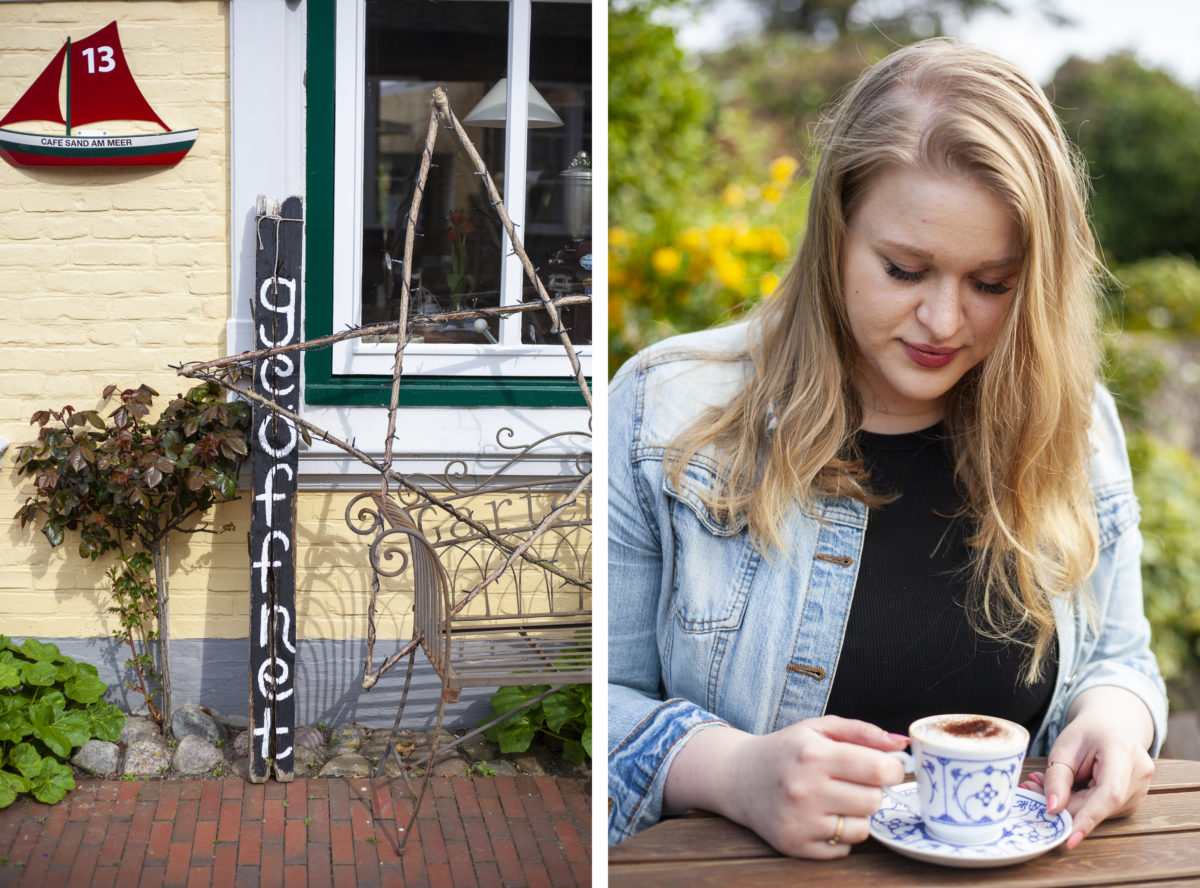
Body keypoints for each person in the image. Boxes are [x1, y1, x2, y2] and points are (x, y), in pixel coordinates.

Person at [607, 38, 1168, 859]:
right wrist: (734, 772)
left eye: (991, 283)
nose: (944, 323)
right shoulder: (666, 411)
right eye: (905, 269)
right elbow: (599, 694)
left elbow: (1119, 657)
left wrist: (1116, 720)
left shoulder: (1075, 427)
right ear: (835, 228)